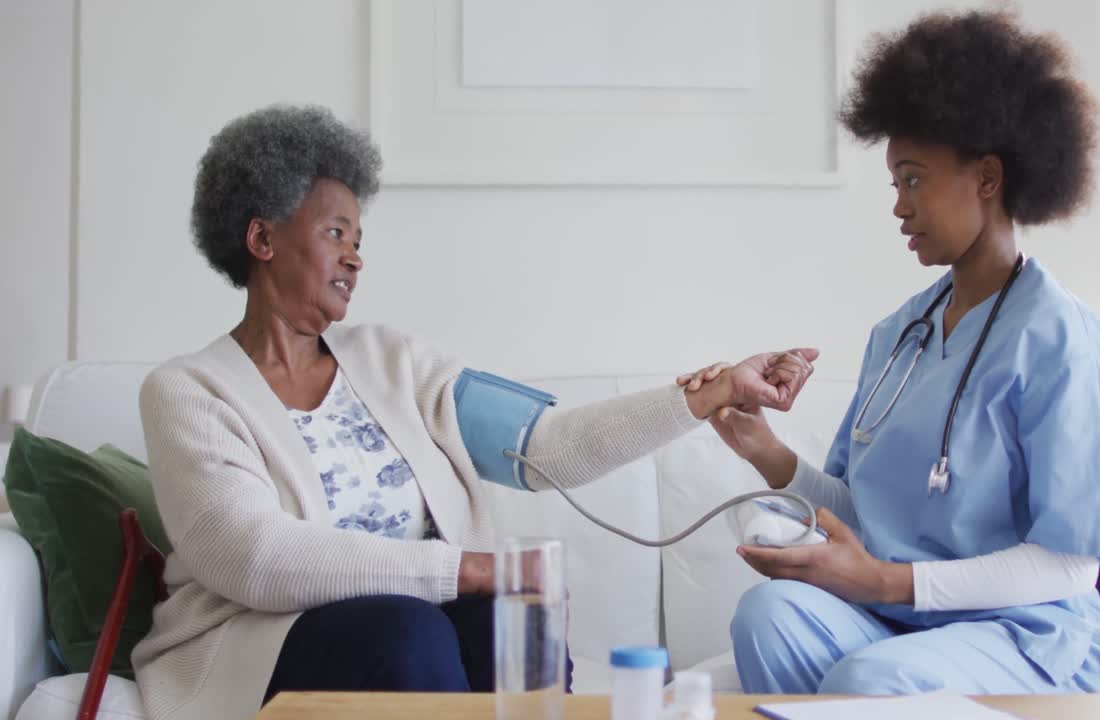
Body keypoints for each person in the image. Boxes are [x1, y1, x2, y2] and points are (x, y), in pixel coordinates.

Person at [132, 104, 819, 720]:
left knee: (503, 620)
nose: (355, 257)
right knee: (414, 627)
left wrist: (708, 394)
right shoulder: (190, 391)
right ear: (262, 239)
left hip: (412, 633)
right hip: (263, 649)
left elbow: (544, 446)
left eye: (359, 240)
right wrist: (468, 569)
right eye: (336, 232)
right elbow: (257, 558)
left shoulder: (397, 362)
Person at [682, 9, 1100, 696]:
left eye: (913, 179)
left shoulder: (1061, 338)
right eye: (895, 183)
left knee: (874, 678)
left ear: (987, 178)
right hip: (905, 619)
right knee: (767, 616)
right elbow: (859, 507)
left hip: (1025, 630)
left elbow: (1069, 564)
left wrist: (885, 581)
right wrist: (764, 449)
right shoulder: (900, 336)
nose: (899, 206)